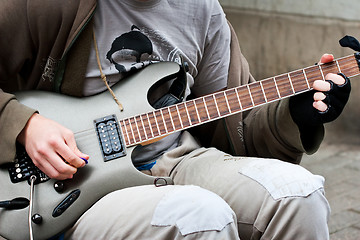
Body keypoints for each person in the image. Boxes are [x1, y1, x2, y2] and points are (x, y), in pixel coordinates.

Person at [0, 0, 351, 239]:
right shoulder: (45, 6)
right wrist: (22, 124)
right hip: (79, 187)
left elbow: (236, 127)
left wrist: (296, 115)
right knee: (200, 216)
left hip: (178, 161)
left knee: (299, 194)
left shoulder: (202, 10)